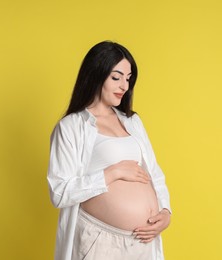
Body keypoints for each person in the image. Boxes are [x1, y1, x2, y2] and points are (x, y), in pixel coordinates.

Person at [47, 41, 172, 260]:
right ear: (96, 75)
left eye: (128, 78)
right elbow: (59, 192)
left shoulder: (133, 122)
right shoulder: (71, 127)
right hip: (101, 241)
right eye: (116, 77)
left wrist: (165, 212)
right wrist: (113, 173)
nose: (124, 86)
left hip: (143, 242)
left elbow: (154, 173)